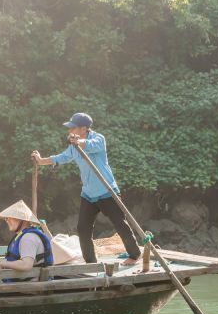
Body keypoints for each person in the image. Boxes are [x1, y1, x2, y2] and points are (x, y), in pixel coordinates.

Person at [31, 112, 142, 266]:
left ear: (83, 129)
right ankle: (91, 263)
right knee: (82, 228)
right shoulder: (73, 146)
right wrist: (41, 160)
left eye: (73, 128)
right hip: (88, 194)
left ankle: (135, 255)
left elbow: (89, 144)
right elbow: (62, 157)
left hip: (107, 191)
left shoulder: (99, 139)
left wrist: (79, 142)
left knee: (120, 224)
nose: (70, 130)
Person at [0, 200, 56, 274]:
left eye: (10, 217)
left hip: (30, 281)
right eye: (6, 218)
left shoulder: (28, 238)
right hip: (22, 280)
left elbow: (26, 265)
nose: (6, 220)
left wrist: (3, 263)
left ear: (22, 220)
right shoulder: (24, 235)